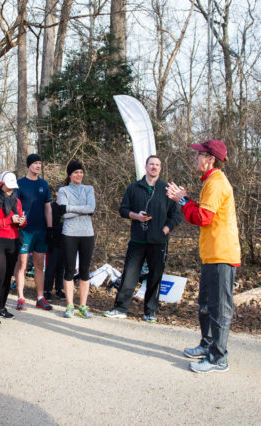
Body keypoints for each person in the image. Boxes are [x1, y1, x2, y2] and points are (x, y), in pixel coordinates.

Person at [166, 139, 241, 374]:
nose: (194, 158)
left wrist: (183, 200)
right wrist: (186, 201)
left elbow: (203, 218)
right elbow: (203, 212)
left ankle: (219, 358)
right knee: (206, 305)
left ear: (210, 159)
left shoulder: (217, 182)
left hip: (222, 255)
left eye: (198, 155)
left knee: (219, 307)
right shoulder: (210, 181)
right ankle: (207, 345)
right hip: (212, 255)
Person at [103, 155, 182, 322]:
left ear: (160, 168)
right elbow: (123, 209)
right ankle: (120, 308)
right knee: (129, 275)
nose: (154, 167)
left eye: (157, 165)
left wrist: (166, 229)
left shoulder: (167, 189)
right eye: (151, 164)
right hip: (138, 241)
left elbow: (176, 215)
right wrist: (136, 216)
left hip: (158, 242)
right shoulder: (134, 187)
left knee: (155, 277)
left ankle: (150, 312)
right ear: (146, 167)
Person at [0, 172, 26, 327]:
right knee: (0, 276)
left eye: (12, 187)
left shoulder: (17, 200)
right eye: (8, 186)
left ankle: (2, 307)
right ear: (2, 184)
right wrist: (9, 220)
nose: (10, 190)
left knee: (8, 276)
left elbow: (21, 222)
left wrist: (22, 221)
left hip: (14, 241)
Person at [14, 154, 53, 311]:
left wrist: (50, 229)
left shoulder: (44, 184)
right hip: (25, 230)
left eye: (40, 163)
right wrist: (17, 222)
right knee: (22, 264)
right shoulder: (20, 184)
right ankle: (21, 298)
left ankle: (40, 298)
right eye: (35, 163)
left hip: (41, 230)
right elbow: (15, 205)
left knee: (39, 264)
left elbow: (48, 207)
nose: (38, 166)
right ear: (29, 165)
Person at [58, 160, 96, 319]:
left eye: (81, 172)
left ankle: (83, 306)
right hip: (69, 233)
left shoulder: (89, 189)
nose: (79, 175)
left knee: (85, 270)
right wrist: (82, 210)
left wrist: (70, 208)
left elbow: (91, 208)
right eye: (75, 172)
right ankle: (69, 306)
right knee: (69, 269)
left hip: (87, 233)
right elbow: (63, 214)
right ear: (70, 174)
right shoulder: (63, 190)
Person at [44, 187, 66, 301]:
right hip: (53, 240)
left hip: (64, 241)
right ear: (56, 193)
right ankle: (47, 290)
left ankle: (59, 289)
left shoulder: (66, 207)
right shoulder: (51, 207)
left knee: (61, 267)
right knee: (51, 267)